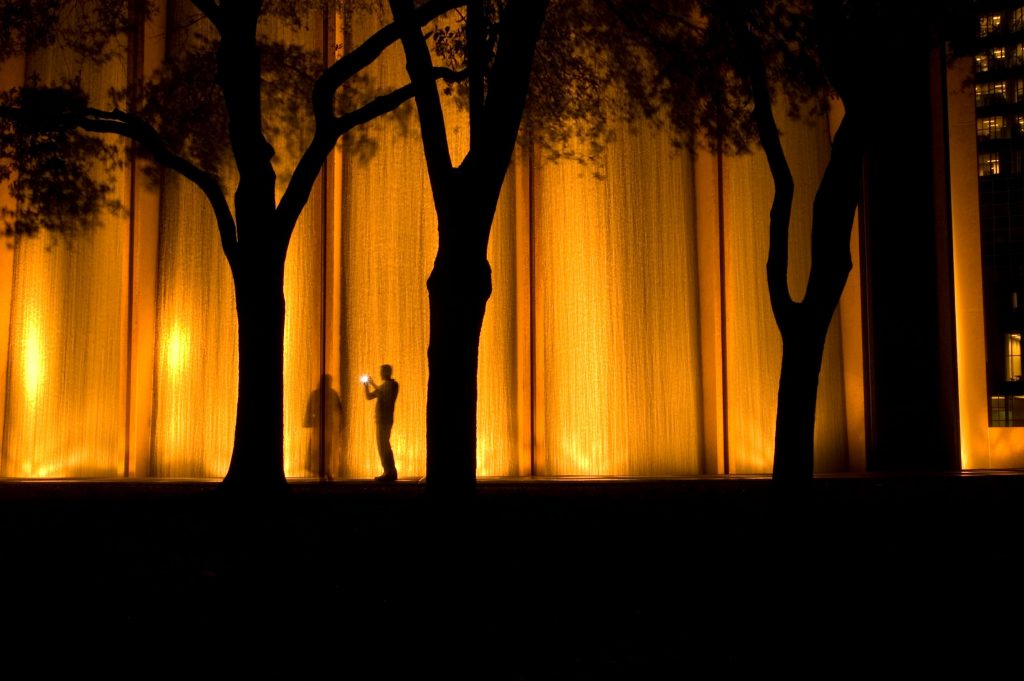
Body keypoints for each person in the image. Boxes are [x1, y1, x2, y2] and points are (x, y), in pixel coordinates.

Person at [304, 374, 343, 481]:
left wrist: (308, 421)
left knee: (321, 449)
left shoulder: (318, 393)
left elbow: (309, 409)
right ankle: (325, 471)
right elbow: (340, 408)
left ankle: (324, 471)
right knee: (323, 449)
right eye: (328, 381)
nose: (329, 383)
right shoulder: (330, 393)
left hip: (323, 425)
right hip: (324, 425)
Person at [364, 364, 399, 482]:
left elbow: (385, 396)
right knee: (382, 446)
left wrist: (372, 383)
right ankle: (387, 471)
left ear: (386, 372)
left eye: (381, 371)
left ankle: (391, 472)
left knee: (384, 446)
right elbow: (369, 397)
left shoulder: (393, 385)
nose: (380, 374)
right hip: (380, 420)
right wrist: (366, 386)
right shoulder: (384, 386)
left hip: (385, 420)